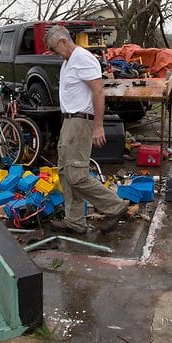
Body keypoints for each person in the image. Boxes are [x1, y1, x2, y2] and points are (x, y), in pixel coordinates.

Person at [44, 26, 128, 234]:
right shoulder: (68, 62)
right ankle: (74, 220)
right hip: (69, 121)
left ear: (63, 41)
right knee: (65, 172)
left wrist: (98, 125)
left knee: (77, 175)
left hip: (81, 122)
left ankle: (115, 206)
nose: (55, 53)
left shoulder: (83, 58)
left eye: (55, 48)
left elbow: (98, 90)